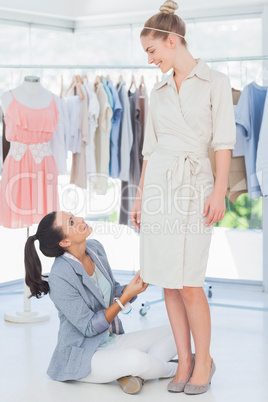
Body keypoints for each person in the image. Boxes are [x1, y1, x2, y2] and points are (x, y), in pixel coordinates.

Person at [130, 0, 236, 396]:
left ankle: (203, 360)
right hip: (159, 184)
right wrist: (140, 199)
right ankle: (184, 359)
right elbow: (148, 150)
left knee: (190, 281)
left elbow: (224, 141)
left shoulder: (216, 81)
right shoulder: (157, 91)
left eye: (152, 51)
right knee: (167, 284)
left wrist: (219, 190)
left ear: (172, 41)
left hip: (196, 185)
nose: (150, 60)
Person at [24, 211, 178, 395]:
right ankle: (181, 370)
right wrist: (125, 297)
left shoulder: (95, 248)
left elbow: (111, 291)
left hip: (112, 340)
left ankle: (137, 375)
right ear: (64, 242)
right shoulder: (60, 276)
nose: (80, 219)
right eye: (72, 222)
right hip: (86, 355)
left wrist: (132, 287)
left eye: (73, 216)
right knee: (137, 360)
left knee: (179, 331)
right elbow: (89, 327)